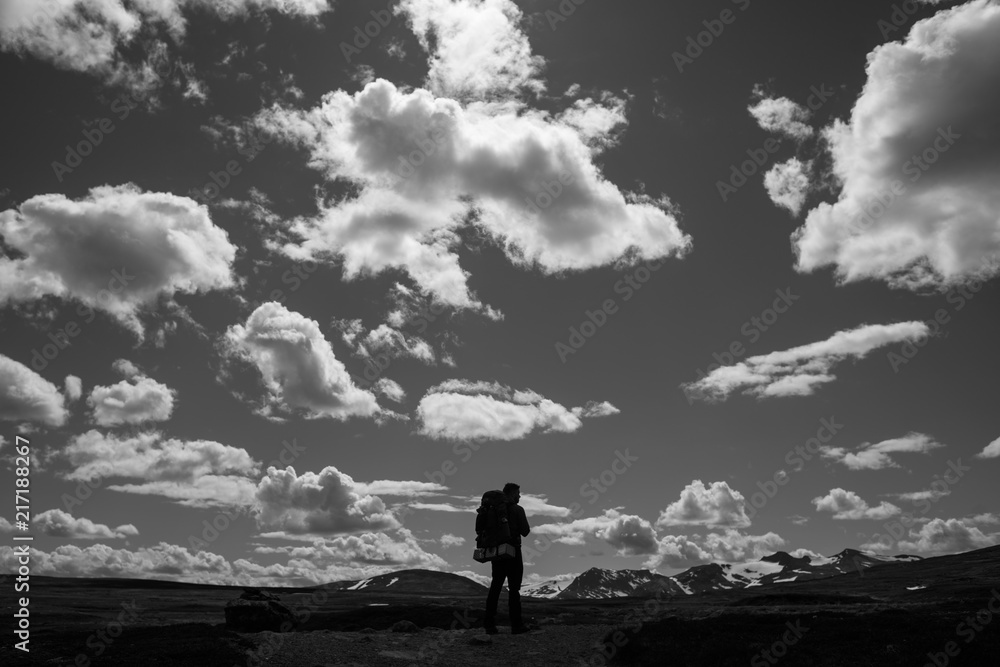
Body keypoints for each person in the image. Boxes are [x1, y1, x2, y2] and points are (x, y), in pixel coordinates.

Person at [483, 482, 531, 635]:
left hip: (497, 552)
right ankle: (516, 626)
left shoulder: (493, 510)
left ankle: (489, 625)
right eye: (518, 493)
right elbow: (525, 531)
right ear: (511, 494)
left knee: (495, 587)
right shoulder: (517, 509)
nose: (520, 496)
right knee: (514, 589)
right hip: (513, 552)